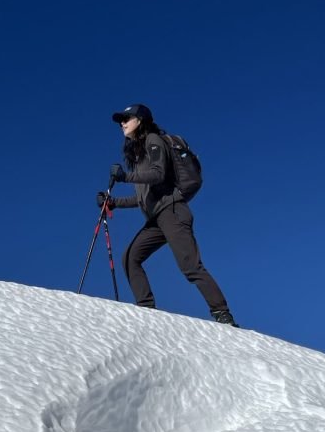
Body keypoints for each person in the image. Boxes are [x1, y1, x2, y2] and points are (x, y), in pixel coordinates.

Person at [98, 103, 237, 326]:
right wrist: (113, 203)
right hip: (157, 218)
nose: (122, 123)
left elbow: (158, 174)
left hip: (172, 213)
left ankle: (223, 314)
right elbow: (144, 199)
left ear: (140, 120)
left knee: (190, 266)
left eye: (127, 118)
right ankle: (146, 310)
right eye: (120, 120)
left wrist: (125, 177)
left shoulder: (153, 140)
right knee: (130, 258)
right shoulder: (140, 153)